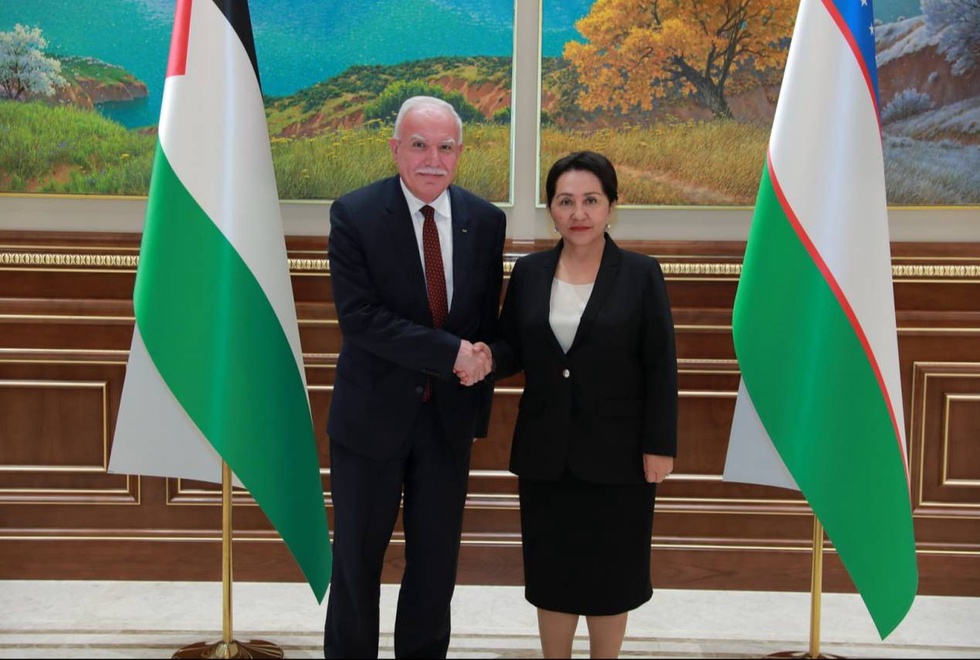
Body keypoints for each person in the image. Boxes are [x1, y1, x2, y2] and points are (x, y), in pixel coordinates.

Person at [323, 96, 504, 659]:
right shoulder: (354, 214)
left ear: (460, 152)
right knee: (357, 560)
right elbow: (360, 319)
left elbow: (484, 321)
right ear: (395, 149)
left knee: (435, 564)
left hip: (447, 423)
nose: (432, 159)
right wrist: (452, 353)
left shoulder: (486, 221)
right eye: (419, 145)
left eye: (445, 147)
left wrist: (484, 359)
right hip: (370, 420)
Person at [478, 151, 678, 658]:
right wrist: (484, 358)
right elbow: (512, 347)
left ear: (612, 206)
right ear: (551, 209)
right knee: (553, 574)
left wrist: (660, 446)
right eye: (565, 201)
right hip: (545, 454)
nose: (578, 213)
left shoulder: (641, 274)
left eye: (591, 200)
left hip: (621, 457)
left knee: (613, 575)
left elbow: (660, 366)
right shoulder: (530, 272)